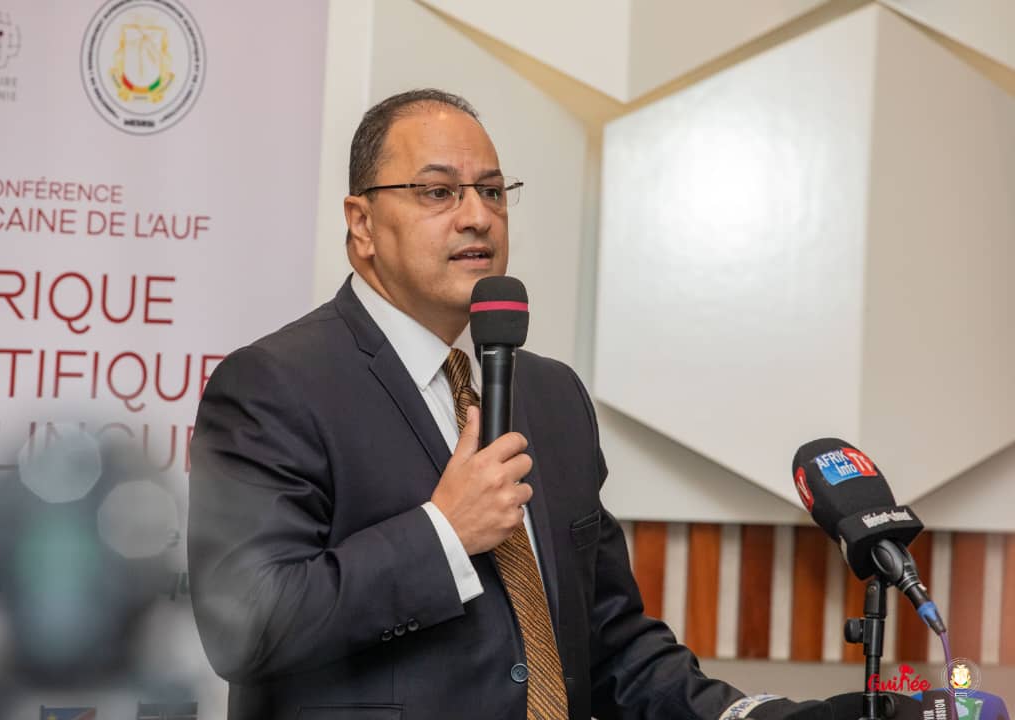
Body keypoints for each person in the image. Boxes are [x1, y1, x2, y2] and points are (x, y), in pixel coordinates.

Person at [188, 89, 827, 720]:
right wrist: (443, 533)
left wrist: (751, 716)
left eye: (492, 191)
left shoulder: (552, 395)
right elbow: (242, 625)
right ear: (362, 224)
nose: (477, 216)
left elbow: (610, 642)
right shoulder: (274, 384)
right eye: (438, 192)